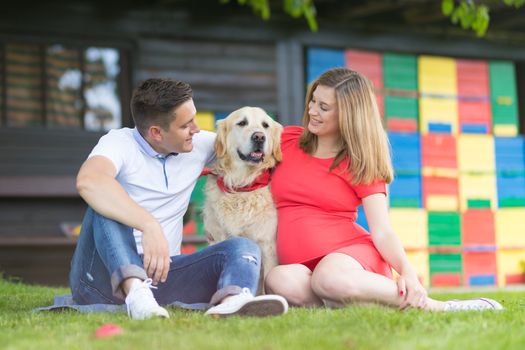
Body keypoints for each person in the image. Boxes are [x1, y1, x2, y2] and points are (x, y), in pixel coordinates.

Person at [265, 67, 502, 312]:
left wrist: (408, 272)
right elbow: (235, 147)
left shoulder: (359, 161)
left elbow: (382, 230)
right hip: (302, 268)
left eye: (324, 107)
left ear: (348, 114)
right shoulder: (286, 140)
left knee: (328, 279)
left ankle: (437, 307)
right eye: (313, 101)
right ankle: (346, 304)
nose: (312, 111)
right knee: (278, 279)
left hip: (349, 258)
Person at [69, 78, 288, 320]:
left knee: (243, 245)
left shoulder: (198, 144)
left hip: (163, 274)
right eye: (186, 125)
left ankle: (235, 299)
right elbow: (89, 181)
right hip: (99, 281)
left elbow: (254, 145)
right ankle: (135, 293)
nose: (196, 129)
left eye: (193, 119)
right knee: (104, 202)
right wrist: (148, 225)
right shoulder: (118, 143)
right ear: (156, 133)